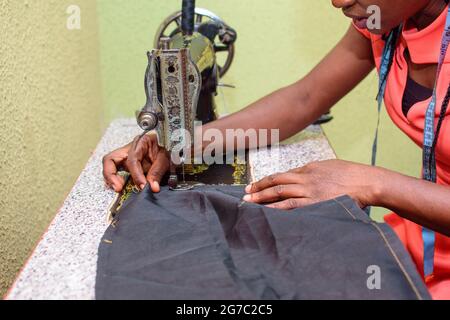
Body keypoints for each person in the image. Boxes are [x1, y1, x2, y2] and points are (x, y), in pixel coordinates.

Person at [103, 0, 450, 299]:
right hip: (420, 244)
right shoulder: (384, 22)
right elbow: (305, 98)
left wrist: (374, 183)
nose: (337, 2)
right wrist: (182, 143)